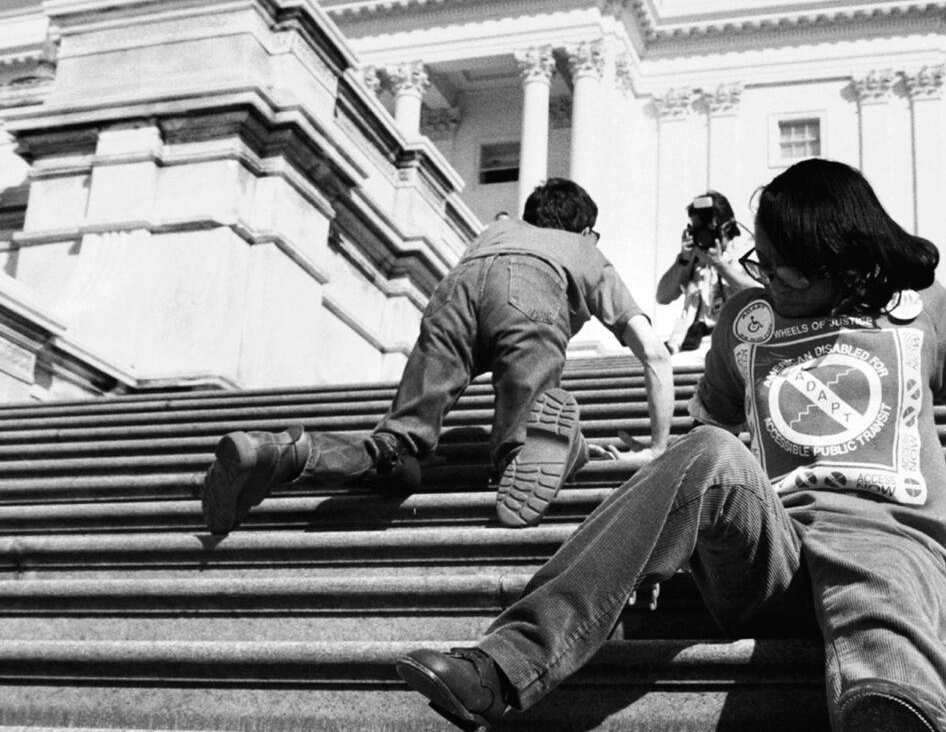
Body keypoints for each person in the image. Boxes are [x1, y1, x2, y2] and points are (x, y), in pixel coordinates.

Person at [396, 159, 946, 732]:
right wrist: (659, 547)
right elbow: (707, 446)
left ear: (847, 264)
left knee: (883, 627)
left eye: (788, 270)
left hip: (888, 537)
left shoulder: (922, 313)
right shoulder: (745, 321)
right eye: (761, 259)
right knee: (709, 450)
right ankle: (505, 664)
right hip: (774, 550)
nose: (767, 278)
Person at [202, 178, 674, 533]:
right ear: (589, 231)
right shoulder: (582, 249)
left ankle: (279, 451)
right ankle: (542, 447)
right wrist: (657, 447)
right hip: (532, 293)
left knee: (395, 452)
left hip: (455, 292)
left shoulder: (495, 233)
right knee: (523, 439)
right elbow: (654, 355)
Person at [656, 191, 758, 354]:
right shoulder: (692, 259)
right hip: (691, 343)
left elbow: (758, 294)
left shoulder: (745, 254)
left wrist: (720, 265)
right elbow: (662, 296)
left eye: (709, 229)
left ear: (727, 227)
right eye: (697, 229)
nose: (703, 235)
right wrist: (683, 260)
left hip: (733, 344)